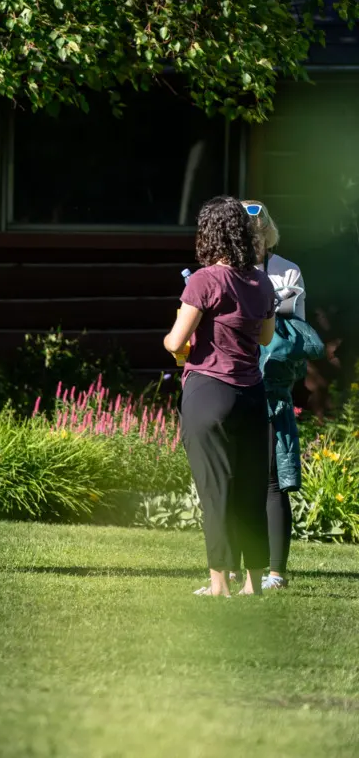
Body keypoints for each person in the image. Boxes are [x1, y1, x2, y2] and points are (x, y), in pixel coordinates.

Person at [163, 196, 275, 597]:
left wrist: (175, 341)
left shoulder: (203, 280)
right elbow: (265, 336)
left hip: (210, 391)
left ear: (208, 233)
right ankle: (253, 584)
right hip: (252, 394)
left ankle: (218, 586)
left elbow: (176, 341)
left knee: (216, 491)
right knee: (250, 490)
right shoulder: (261, 281)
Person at [242, 200, 307, 590]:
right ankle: (233, 569)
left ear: (268, 234)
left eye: (259, 234)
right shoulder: (223, 269)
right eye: (247, 235)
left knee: (271, 479)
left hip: (271, 385)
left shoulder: (288, 270)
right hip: (231, 379)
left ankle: (276, 573)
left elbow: (298, 328)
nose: (254, 242)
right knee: (236, 478)